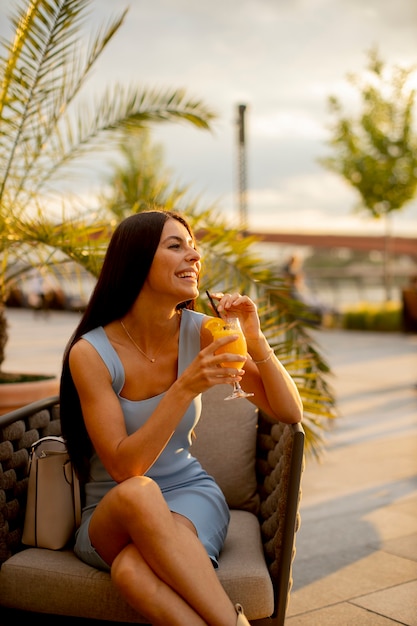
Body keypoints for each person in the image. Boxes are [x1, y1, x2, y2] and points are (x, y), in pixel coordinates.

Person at [60, 210, 303, 626]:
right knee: (139, 492)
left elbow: (288, 411)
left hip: (191, 497)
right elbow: (125, 469)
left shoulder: (207, 330)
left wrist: (256, 338)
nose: (193, 256)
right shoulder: (91, 353)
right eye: (176, 246)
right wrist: (185, 386)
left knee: (132, 572)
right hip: (112, 510)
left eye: (194, 247)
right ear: (135, 260)